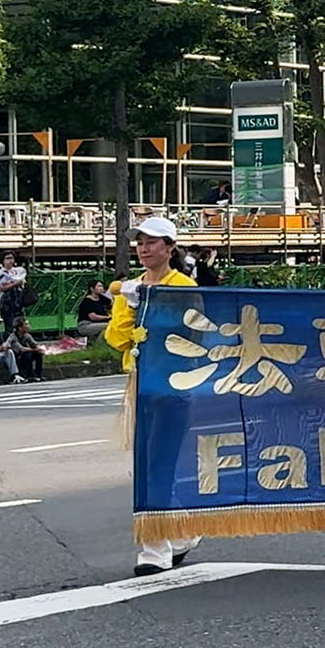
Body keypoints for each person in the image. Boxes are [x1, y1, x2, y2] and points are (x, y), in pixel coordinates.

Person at [106, 215, 203, 576]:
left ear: (169, 248)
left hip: (174, 384)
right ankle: (181, 531)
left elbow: (192, 331)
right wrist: (131, 309)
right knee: (146, 465)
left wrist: (152, 307)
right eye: (140, 242)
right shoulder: (130, 287)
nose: (144, 248)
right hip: (142, 383)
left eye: (152, 242)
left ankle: (156, 544)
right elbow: (117, 338)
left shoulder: (182, 285)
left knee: (160, 462)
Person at [0, 251, 29, 321]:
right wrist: (15, 283)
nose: (10, 260)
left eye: (12, 258)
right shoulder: (0, 273)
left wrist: (12, 283)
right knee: (9, 323)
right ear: (3, 260)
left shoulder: (18, 271)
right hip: (6, 302)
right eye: (8, 258)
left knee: (21, 321)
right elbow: (2, 288)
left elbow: (23, 282)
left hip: (18, 300)